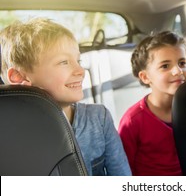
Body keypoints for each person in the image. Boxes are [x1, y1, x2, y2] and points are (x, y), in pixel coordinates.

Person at [0, 18, 131, 176]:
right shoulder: (9, 133)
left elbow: (122, 177)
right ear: (19, 76)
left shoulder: (99, 118)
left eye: (78, 60)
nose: (80, 71)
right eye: (64, 62)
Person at [118, 31, 186, 176]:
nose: (178, 71)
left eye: (182, 63)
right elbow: (123, 169)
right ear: (145, 77)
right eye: (165, 66)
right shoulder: (133, 121)